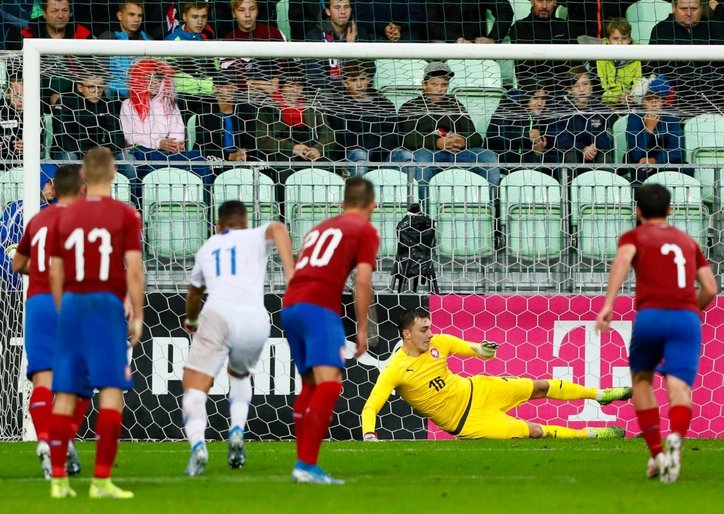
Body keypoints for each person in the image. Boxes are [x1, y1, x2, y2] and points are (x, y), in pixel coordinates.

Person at [595, 183, 718, 484]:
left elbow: (623, 260)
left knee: (641, 382)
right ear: (670, 210)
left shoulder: (634, 236)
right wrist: (692, 310)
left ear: (637, 211)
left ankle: (657, 454)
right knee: (678, 388)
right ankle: (676, 437)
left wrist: (609, 303)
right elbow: (711, 288)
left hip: (650, 316)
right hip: (685, 318)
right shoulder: (687, 241)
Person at [361, 308, 632, 441]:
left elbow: (476, 350)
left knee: (540, 386)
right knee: (534, 431)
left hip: (479, 389)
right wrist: (370, 435)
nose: (430, 333)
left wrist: (485, 350)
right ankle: (593, 435)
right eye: (423, 330)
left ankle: (601, 394)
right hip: (468, 422)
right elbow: (371, 406)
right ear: (407, 334)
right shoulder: (394, 369)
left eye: (430, 327)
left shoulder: (439, 343)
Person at [46, 146, 144, 499]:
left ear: (84, 175)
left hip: (71, 302)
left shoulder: (63, 216)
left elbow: (55, 270)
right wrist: (139, 311)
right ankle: (100, 481)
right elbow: (133, 267)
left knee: (65, 394)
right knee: (112, 392)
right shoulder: (125, 214)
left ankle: (58, 481)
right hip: (105, 303)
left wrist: (62, 307)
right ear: (114, 173)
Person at [181, 200, 295, 476]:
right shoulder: (255, 235)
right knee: (240, 375)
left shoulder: (208, 247)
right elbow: (279, 228)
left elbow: (195, 294)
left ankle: (198, 445)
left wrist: (192, 320)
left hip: (218, 313)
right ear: (245, 223)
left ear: (217, 226)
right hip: (255, 319)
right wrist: (291, 274)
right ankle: (237, 431)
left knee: (194, 389)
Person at [281, 176, 378, 484]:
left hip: (291, 305)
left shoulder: (319, 228)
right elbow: (362, 281)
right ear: (372, 206)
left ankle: (303, 462)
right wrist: (362, 327)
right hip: (319, 307)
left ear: (342, 204)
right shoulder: (365, 230)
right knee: (331, 381)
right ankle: (306, 465)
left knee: (310, 383)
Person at [11, 165, 88, 479]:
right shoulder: (82, 224)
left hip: (37, 303)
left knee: (42, 381)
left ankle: (44, 441)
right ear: (81, 190)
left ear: (53, 190)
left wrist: (40, 272)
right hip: (69, 302)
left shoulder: (38, 220)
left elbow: (18, 263)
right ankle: (64, 438)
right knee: (80, 380)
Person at [394, 62, 499, 202]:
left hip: (458, 153)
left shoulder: (455, 105)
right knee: (422, 160)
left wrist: (462, 140)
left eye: (444, 85)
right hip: (429, 152)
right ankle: (422, 212)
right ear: (424, 84)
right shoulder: (410, 106)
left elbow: (475, 136)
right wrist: (437, 142)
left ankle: (493, 208)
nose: (439, 89)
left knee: (488, 158)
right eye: (435, 84)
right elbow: (407, 139)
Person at [53, 74, 132, 178]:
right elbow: (62, 138)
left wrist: (109, 149)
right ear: (80, 87)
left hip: (98, 152)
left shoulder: (107, 105)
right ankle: (74, 193)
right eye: (91, 87)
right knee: (70, 158)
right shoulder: (65, 103)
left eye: (100, 87)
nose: (97, 90)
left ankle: (134, 194)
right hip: (70, 151)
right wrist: (87, 151)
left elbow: (117, 134)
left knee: (128, 160)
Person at [327, 61, 398, 177]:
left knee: (406, 157)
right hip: (351, 155)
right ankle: (358, 194)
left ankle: (414, 195)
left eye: (363, 79)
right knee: (360, 156)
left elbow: (392, 133)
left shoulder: (383, 102)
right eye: (354, 80)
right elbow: (340, 137)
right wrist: (368, 150)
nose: (359, 85)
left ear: (368, 80)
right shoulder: (338, 105)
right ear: (345, 83)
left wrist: (378, 151)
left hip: (383, 154)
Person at [625, 79, 686, 183]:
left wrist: (655, 161)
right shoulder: (634, 117)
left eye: (657, 99)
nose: (654, 103)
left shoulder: (671, 118)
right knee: (640, 168)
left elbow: (677, 150)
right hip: (641, 161)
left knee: (687, 168)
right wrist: (648, 129)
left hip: (664, 161)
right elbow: (635, 153)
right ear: (643, 101)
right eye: (649, 99)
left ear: (662, 101)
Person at [99, 1, 151, 98]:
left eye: (139, 16)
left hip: (143, 95)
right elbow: (101, 75)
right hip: (113, 98)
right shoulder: (108, 38)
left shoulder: (147, 40)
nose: (136, 19)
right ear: (120, 16)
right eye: (131, 15)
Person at [596, 18, 642, 107]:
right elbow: (599, 88)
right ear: (608, 40)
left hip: (632, 103)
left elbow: (640, 84)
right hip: (606, 104)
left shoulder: (638, 55)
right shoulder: (598, 57)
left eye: (624, 38)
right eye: (615, 39)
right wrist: (616, 98)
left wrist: (631, 95)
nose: (620, 43)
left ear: (629, 40)